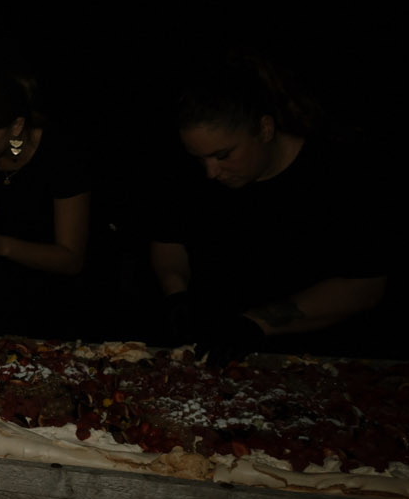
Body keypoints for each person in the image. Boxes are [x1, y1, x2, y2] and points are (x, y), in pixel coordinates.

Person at [147, 54, 388, 361]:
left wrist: (255, 324)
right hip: (210, 351)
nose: (210, 171)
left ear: (264, 129)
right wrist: (176, 294)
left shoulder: (339, 174)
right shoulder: (190, 170)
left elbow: (364, 285)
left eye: (223, 155)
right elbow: (168, 239)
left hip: (315, 357)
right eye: (199, 158)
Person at [0, 67, 92, 338]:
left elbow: (72, 259)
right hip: (8, 280)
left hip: (67, 293)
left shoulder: (63, 158)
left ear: (16, 126)